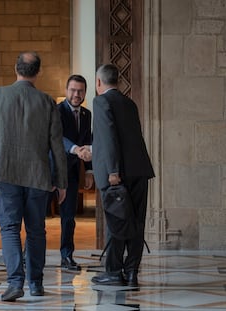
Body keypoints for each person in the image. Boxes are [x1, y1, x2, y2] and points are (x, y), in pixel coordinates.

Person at [0, 51, 68, 302]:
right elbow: (57, 145)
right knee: (37, 230)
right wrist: (62, 182)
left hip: (5, 174)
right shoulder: (47, 102)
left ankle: (15, 282)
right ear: (39, 73)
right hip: (39, 176)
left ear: (15, 69)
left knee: (9, 229)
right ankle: (36, 283)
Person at [91, 64, 155, 287]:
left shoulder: (101, 101)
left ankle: (113, 272)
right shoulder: (129, 103)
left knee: (117, 222)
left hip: (118, 174)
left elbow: (108, 137)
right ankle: (131, 273)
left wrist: (112, 171)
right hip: (140, 170)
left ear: (98, 82)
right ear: (117, 81)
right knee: (136, 222)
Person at [57, 75, 93, 271]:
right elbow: (57, 137)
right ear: (66, 90)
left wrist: (89, 170)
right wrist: (76, 149)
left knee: (69, 216)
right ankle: (28, 255)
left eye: (80, 91)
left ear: (85, 93)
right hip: (52, 171)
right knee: (36, 216)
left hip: (71, 172)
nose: (76, 94)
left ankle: (67, 256)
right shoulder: (56, 111)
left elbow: (88, 139)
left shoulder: (87, 114)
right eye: (72, 90)